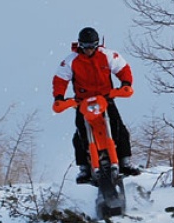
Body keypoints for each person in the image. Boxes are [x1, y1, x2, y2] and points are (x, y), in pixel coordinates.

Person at [53, 26, 140, 184]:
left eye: (92, 46)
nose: (89, 50)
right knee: (79, 134)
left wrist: (126, 83)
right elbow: (60, 79)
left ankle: (125, 162)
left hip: (105, 98)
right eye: (85, 46)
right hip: (82, 102)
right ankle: (84, 169)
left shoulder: (107, 55)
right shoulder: (70, 61)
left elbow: (123, 68)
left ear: (97, 44)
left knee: (119, 127)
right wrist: (59, 97)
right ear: (80, 45)